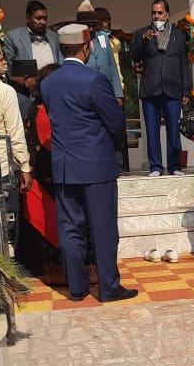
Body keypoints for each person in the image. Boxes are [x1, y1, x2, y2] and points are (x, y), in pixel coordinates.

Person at [40, 23, 137, 303]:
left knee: (70, 228)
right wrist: (114, 147)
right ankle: (108, 287)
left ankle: (77, 288)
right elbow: (116, 122)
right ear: (86, 47)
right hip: (96, 165)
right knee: (103, 228)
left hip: (65, 165)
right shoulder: (95, 81)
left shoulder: (48, 83)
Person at [131, 0, 191, 177]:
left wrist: (186, 90)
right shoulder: (143, 33)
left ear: (167, 14)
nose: (156, 16)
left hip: (173, 88)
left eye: (159, 12)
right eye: (153, 13)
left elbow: (184, 64)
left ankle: (174, 166)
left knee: (174, 128)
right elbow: (134, 55)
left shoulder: (178, 35)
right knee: (152, 129)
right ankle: (155, 166)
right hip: (150, 89)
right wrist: (143, 40)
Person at [17, 64, 62, 278]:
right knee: (47, 221)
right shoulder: (38, 109)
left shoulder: (59, 107)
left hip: (60, 172)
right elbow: (37, 142)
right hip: (47, 174)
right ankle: (52, 269)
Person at [0, 44, 32, 248]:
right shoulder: (5, 91)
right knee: (8, 226)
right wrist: (24, 166)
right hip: (4, 168)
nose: (5, 62)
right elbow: (16, 132)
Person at [76, 0, 124, 103]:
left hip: (107, 92)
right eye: (88, 26)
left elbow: (113, 67)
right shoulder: (73, 42)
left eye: (93, 25)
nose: (91, 29)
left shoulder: (103, 37)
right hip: (85, 93)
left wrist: (118, 94)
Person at [4, 0, 61, 75]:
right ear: (28, 18)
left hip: (52, 80)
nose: (43, 22)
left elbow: (60, 60)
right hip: (27, 83)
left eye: (45, 18)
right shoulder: (13, 37)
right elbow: (9, 65)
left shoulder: (53, 36)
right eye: (39, 18)